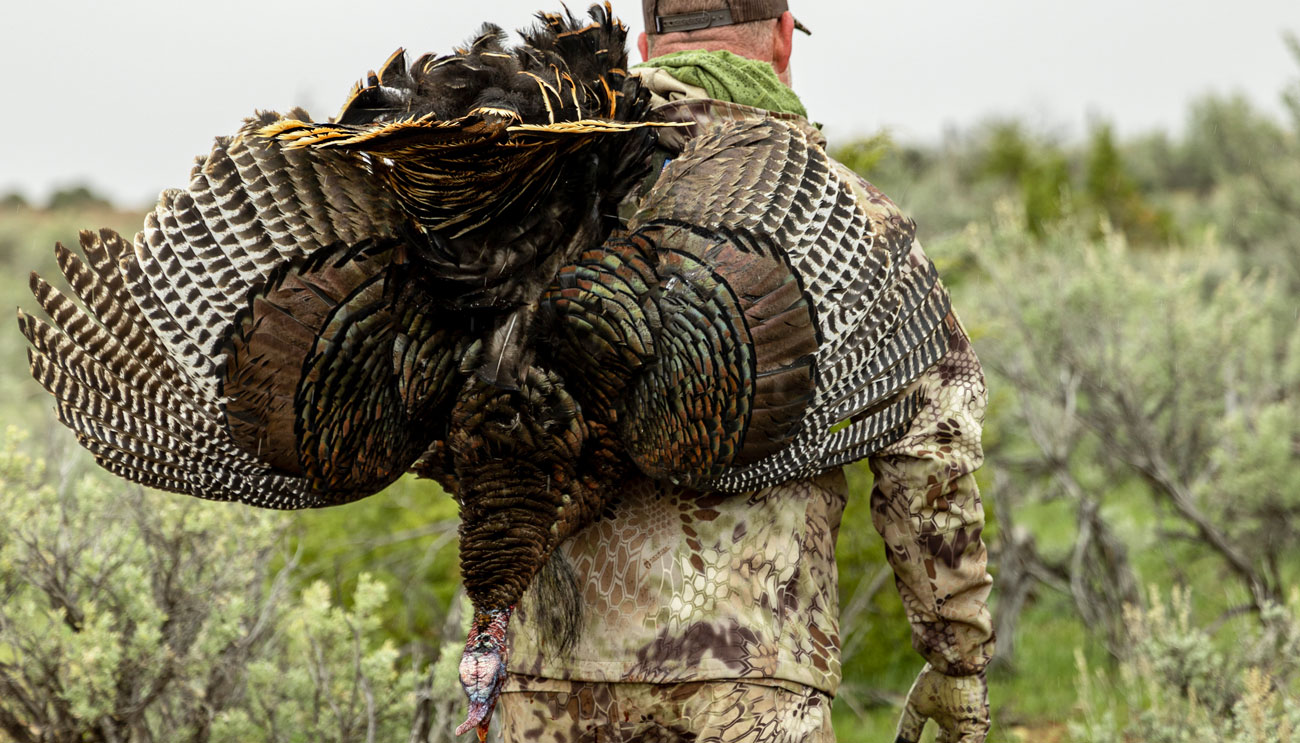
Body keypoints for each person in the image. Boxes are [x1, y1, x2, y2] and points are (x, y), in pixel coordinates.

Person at [499, 2, 995, 741]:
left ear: (645, 44)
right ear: (784, 36)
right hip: (753, 673)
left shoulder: (537, 197)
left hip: (548, 678)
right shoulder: (849, 214)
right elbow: (931, 445)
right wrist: (958, 657)